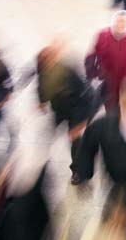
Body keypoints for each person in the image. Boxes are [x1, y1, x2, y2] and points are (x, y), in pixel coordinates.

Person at [22, 43, 95, 185]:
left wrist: (82, 122)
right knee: (47, 135)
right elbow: (41, 86)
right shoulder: (43, 70)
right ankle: (39, 165)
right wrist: (41, 102)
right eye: (44, 59)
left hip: (77, 110)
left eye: (49, 57)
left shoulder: (68, 71)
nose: (47, 61)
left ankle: (78, 171)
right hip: (60, 109)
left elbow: (87, 94)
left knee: (75, 141)